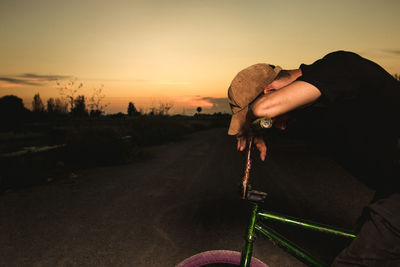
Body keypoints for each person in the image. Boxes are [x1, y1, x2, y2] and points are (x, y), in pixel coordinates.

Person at [227, 51, 400, 266]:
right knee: (367, 238)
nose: (276, 125)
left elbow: (264, 107)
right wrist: (256, 131)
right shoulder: (312, 109)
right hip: (392, 188)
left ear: (270, 91)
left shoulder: (338, 66)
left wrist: (259, 117)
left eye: (265, 120)